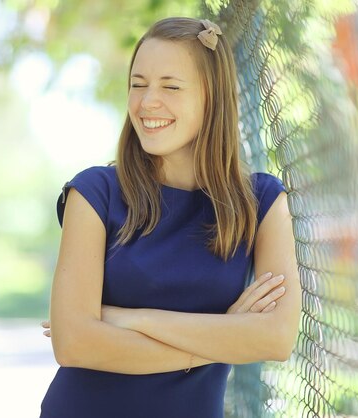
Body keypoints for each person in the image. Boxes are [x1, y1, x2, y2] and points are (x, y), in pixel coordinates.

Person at [39, 16, 301, 418]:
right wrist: (224, 335)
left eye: (170, 87)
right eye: (138, 84)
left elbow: (277, 339)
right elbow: (73, 344)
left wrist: (129, 319)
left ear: (211, 97)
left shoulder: (262, 202)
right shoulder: (94, 193)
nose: (147, 103)